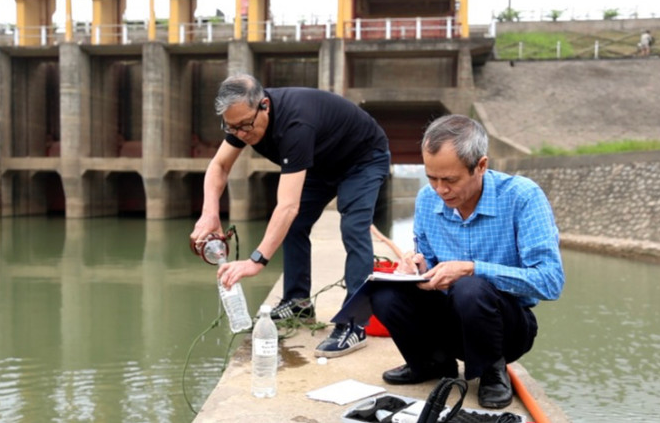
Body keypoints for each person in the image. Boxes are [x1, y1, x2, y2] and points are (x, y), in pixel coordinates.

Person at [368, 114, 564, 409]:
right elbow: (431, 264)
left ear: (481, 166)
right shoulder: (427, 199)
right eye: (431, 177)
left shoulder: (522, 197)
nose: (440, 190)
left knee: (470, 287)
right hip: (451, 319)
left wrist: (473, 268)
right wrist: (417, 267)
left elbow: (550, 281)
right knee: (385, 293)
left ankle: (492, 372)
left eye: (450, 180)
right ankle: (432, 363)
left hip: (505, 327)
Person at [190, 73, 390, 358]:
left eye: (247, 125)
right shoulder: (240, 122)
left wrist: (256, 260)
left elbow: (287, 206)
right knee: (294, 226)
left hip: (362, 159)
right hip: (321, 163)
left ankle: (354, 324)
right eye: (233, 128)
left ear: (265, 106)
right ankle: (298, 302)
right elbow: (219, 166)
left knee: (354, 228)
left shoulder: (296, 123)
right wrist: (209, 212)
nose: (242, 134)